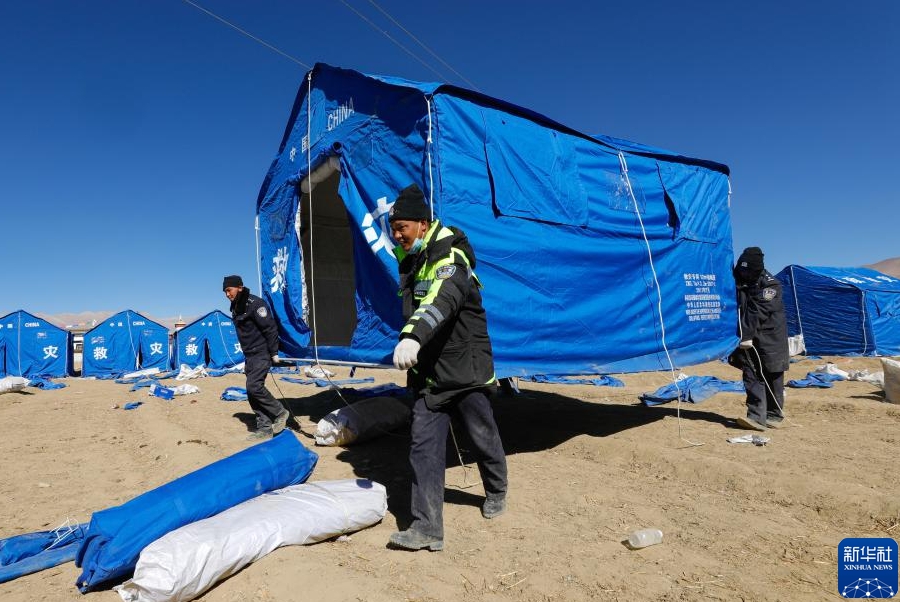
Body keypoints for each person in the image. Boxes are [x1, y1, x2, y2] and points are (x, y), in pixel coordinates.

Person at [386, 183, 508, 552]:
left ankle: (497, 489)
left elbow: (443, 300)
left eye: (402, 227)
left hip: (464, 371)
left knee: (482, 436)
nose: (396, 235)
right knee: (422, 448)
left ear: (422, 224)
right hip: (430, 375)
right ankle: (427, 529)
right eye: (392, 228)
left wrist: (412, 337)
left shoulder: (451, 256)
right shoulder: (412, 260)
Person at [222, 275, 289, 440]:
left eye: (229, 290)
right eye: (224, 291)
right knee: (251, 393)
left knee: (254, 387)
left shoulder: (255, 304)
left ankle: (280, 412)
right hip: (249, 355)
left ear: (240, 287)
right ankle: (264, 427)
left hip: (261, 352)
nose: (227, 294)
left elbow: (270, 328)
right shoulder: (235, 307)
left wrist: (274, 353)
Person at [730, 247, 789, 431]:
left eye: (748, 271)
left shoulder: (771, 286)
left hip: (770, 337)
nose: (744, 274)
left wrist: (745, 336)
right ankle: (756, 417)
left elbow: (757, 311)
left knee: (773, 375)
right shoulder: (739, 278)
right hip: (750, 336)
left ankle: (774, 415)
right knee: (752, 374)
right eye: (742, 270)